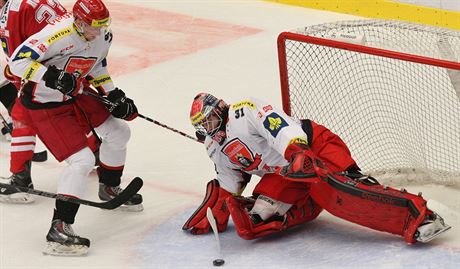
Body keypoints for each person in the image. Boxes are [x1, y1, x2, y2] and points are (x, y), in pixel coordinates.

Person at [183, 92, 451, 244]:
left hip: (313, 146)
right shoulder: (214, 147)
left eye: (209, 121)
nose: (207, 128)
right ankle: (310, 202)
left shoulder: (244, 111)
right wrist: (216, 210)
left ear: (220, 109)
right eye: (202, 126)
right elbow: (230, 183)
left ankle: (419, 215)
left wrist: (297, 151)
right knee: (258, 218)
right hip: (287, 173)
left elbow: (279, 127)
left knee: (340, 194)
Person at [8, 0, 142, 256]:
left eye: (103, 25)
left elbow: (98, 66)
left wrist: (114, 95)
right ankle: (59, 228)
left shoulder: (103, 35)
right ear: (78, 22)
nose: (99, 32)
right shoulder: (55, 34)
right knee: (81, 161)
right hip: (43, 103)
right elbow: (17, 62)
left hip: (76, 95)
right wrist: (52, 76)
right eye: (94, 26)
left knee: (119, 132)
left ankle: (109, 186)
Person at [0, 0, 67, 203]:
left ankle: (20, 181)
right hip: (74, 61)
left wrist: (19, 81)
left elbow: (16, 63)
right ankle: (94, 149)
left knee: (23, 113)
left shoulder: (11, 11)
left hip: (47, 71)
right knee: (69, 109)